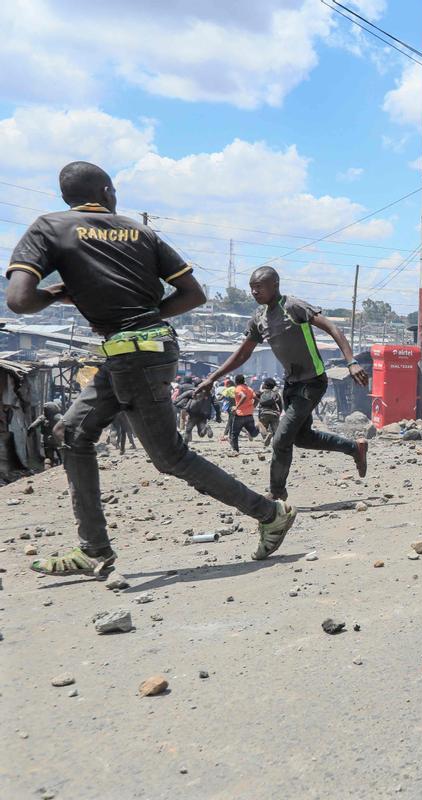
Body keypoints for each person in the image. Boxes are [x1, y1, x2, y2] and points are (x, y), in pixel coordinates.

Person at [4, 161, 295, 576]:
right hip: (139, 352)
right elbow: (193, 294)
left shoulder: (49, 227)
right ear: (107, 192)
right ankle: (93, 550)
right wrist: (143, 316)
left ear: (66, 196)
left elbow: (18, 300)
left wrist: (56, 292)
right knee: (70, 433)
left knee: (169, 457)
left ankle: (270, 513)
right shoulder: (140, 231)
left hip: (131, 357)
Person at [195, 266, 368, 500]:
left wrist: (351, 361)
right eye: (251, 288)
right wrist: (211, 378)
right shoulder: (259, 318)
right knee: (302, 438)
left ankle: (276, 494)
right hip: (290, 386)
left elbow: (332, 328)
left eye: (259, 287)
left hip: (313, 382)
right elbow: (243, 353)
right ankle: (354, 448)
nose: (254, 292)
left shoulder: (293, 306)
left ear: (275, 284)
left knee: (281, 439)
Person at [27, 401, 64, 467]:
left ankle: (48, 471)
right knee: (62, 458)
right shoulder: (60, 417)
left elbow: (32, 427)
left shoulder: (42, 418)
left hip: (46, 441)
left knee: (49, 459)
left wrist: (28, 434)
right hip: (58, 441)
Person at [229, 374, 259, 452]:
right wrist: (253, 407)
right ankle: (259, 427)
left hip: (240, 415)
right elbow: (257, 399)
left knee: (234, 434)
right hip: (249, 415)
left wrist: (236, 407)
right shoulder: (249, 389)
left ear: (236, 381)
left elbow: (243, 396)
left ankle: (235, 451)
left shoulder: (238, 388)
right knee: (253, 433)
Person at [256, 377, 282, 445]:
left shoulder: (260, 393)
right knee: (276, 431)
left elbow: (255, 399)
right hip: (275, 414)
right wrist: (279, 413)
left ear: (265, 385)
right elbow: (280, 405)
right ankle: (277, 445)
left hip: (264, 413)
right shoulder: (276, 394)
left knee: (260, 425)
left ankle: (266, 436)